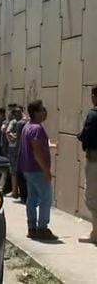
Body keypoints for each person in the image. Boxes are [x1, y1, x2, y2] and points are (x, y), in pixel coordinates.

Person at [18, 99, 58, 240]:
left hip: (28, 169)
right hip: (37, 170)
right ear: (36, 113)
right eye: (42, 109)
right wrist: (46, 170)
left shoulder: (27, 126)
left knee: (32, 199)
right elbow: (37, 152)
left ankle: (32, 227)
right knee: (46, 199)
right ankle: (42, 228)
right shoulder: (36, 129)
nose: (45, 111)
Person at [77, 83, 97, 244]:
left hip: (95, 161)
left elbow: (85, 135)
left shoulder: (93, 114)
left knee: (92, 197)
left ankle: (95, 234)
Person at [6, 107, 23, 199]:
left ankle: (15, 192)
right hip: (22, 148)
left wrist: (12, 140)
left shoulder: (13, 122)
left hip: (13, 148)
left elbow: (7, 132)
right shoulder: (25, 121)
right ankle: (17, 192)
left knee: (14, 170)